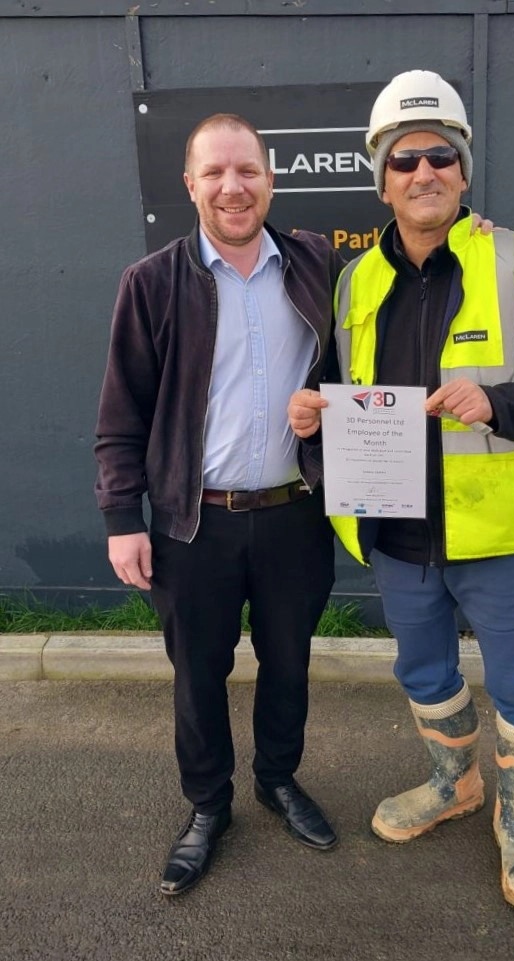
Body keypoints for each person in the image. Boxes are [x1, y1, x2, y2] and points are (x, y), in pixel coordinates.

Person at [288, 70, 514, 911]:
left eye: (440, 156)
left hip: (499, 536)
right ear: (381, 177)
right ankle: (453, 783)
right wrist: (312, 408)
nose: (424, 171)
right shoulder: (354, 282)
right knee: (422, 669)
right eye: (405, 159)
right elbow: (338, 384)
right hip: (400, 534)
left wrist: (495, 401)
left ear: (462, 170)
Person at [95, 113, 344, 896]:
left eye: (249, 171)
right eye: (216, 173)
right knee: (198, 674)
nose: (234, 187)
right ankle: (209, 805)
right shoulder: (152, 282)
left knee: (289, 662)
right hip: (190, 523)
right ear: (191, 185)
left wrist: (472, 232)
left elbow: (399, 286)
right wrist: (121, 519)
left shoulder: (315, 265)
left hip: (292, 515)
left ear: (271, 178)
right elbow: (120, 416)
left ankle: (277, 778)